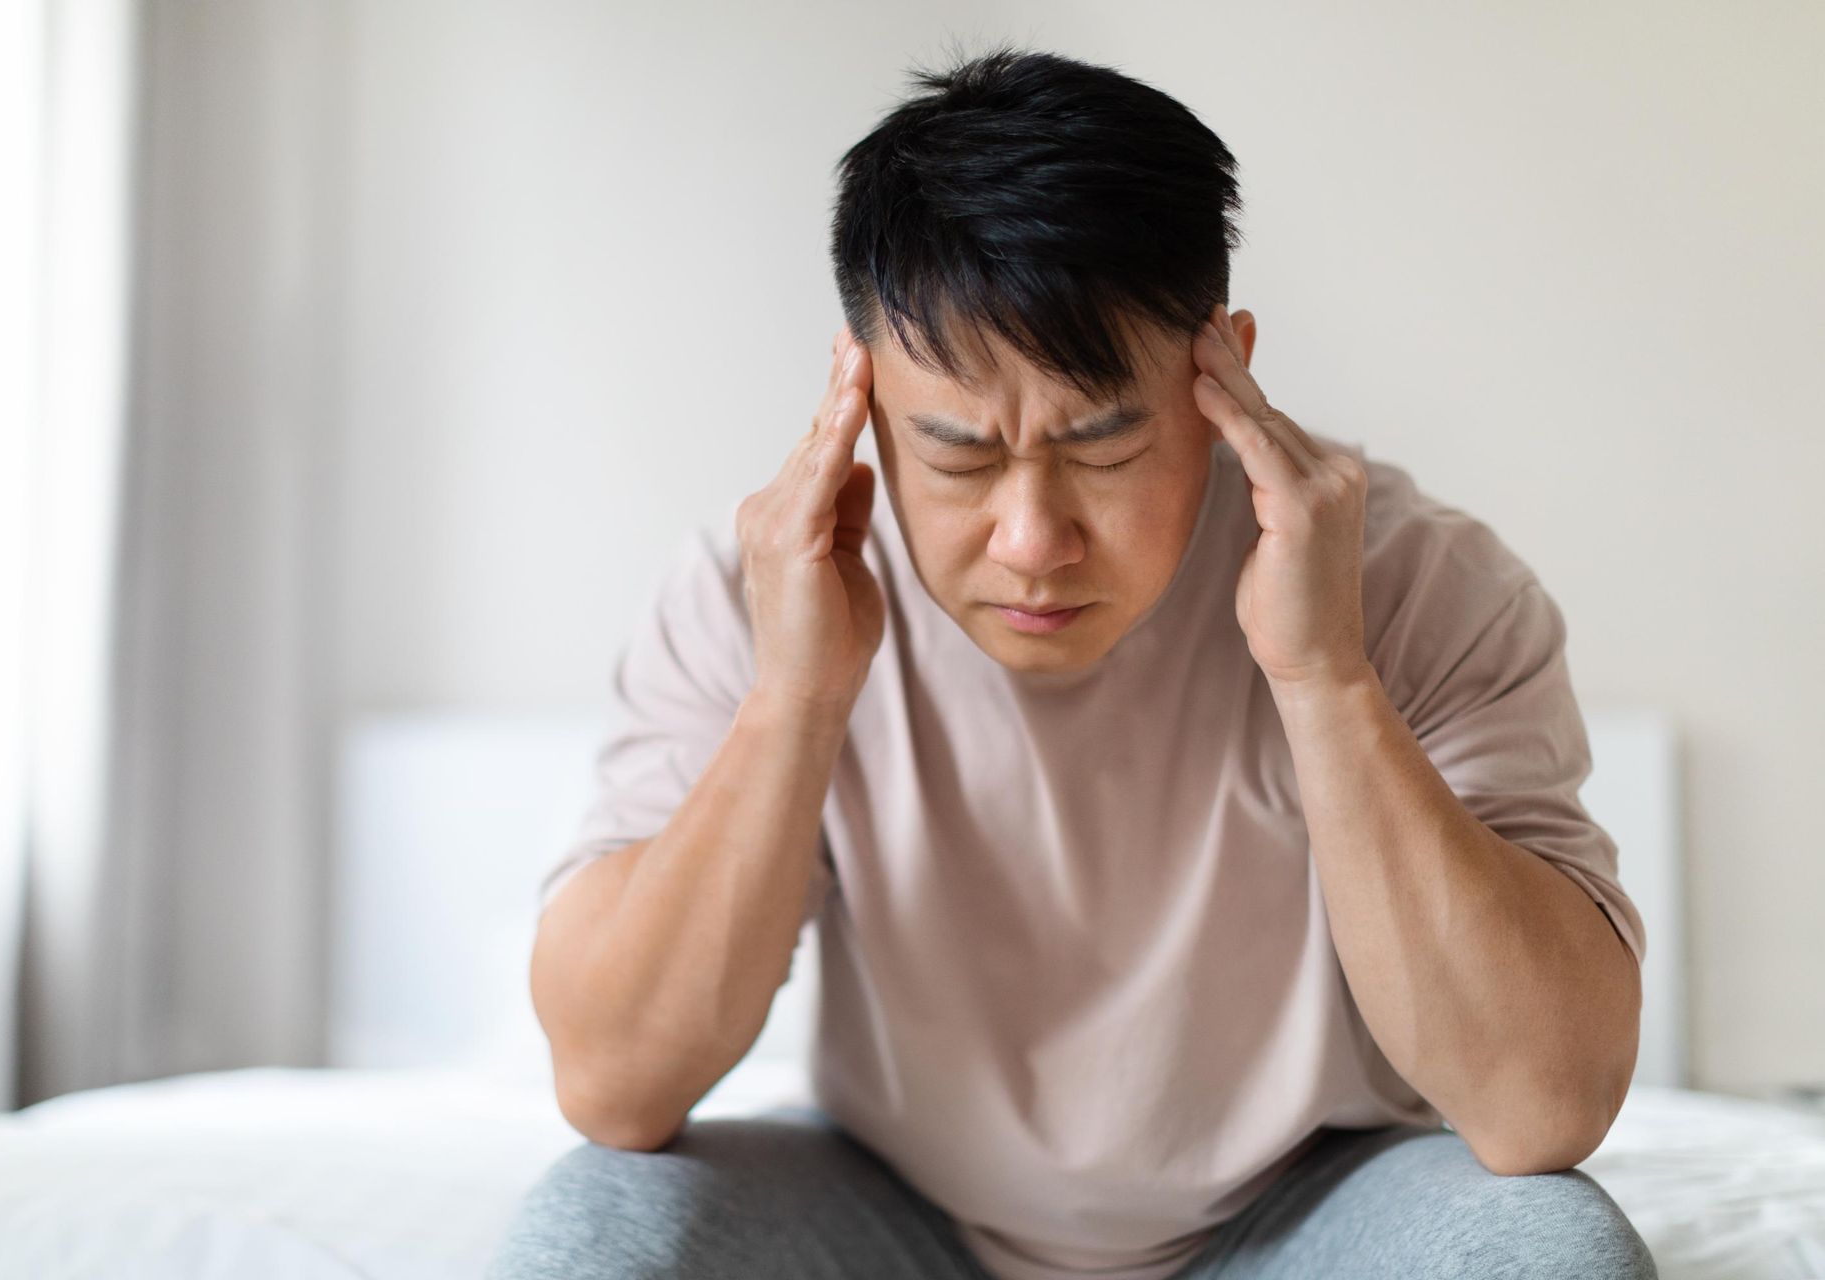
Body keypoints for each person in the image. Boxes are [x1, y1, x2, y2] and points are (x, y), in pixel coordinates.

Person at [490, 43, 1657, 1280]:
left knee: (1553, 1252)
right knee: (592, 1236)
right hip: (899, 1205)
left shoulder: (1420, 583)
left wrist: (1325, 679)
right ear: (863, 392)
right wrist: (798, 696)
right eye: (958, 456)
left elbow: (1543, 1105)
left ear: (1227, 371)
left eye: (1104, 449)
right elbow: (614, 1084)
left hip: (1305, 1208)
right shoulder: (762, 593)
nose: (1034, 542)